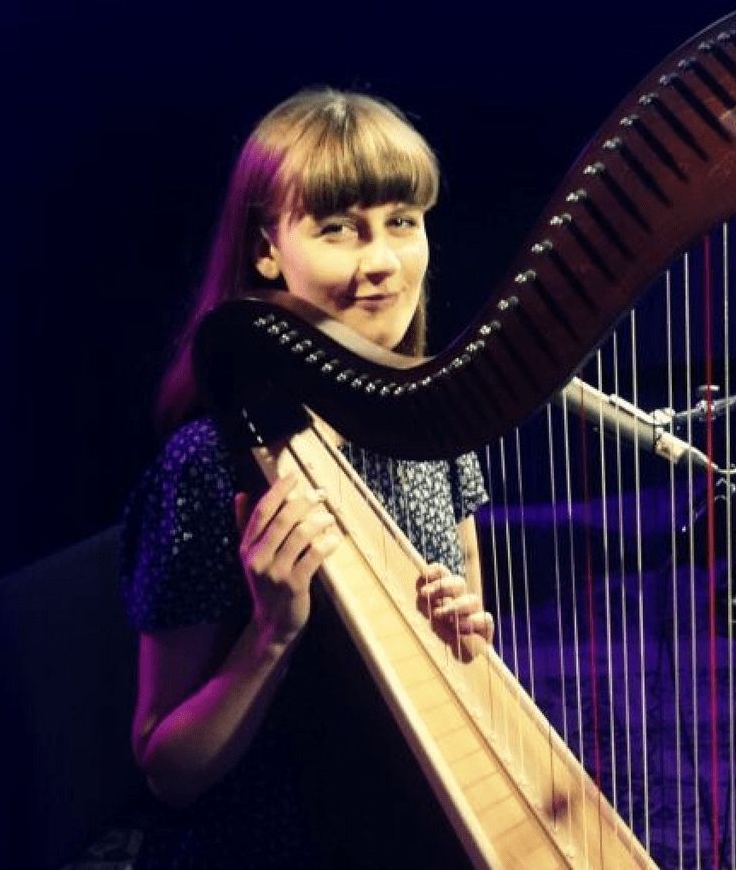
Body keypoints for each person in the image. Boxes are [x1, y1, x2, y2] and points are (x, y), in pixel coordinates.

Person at [120, 88, 494, 868]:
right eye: (338, 228)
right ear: (268, 248)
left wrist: (466, 640)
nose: (382, 261)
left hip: (406, 821)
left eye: (403, 221)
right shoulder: (206, 464)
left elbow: (473, 656)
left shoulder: (436, 429)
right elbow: (167, 773)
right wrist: (271, 634)